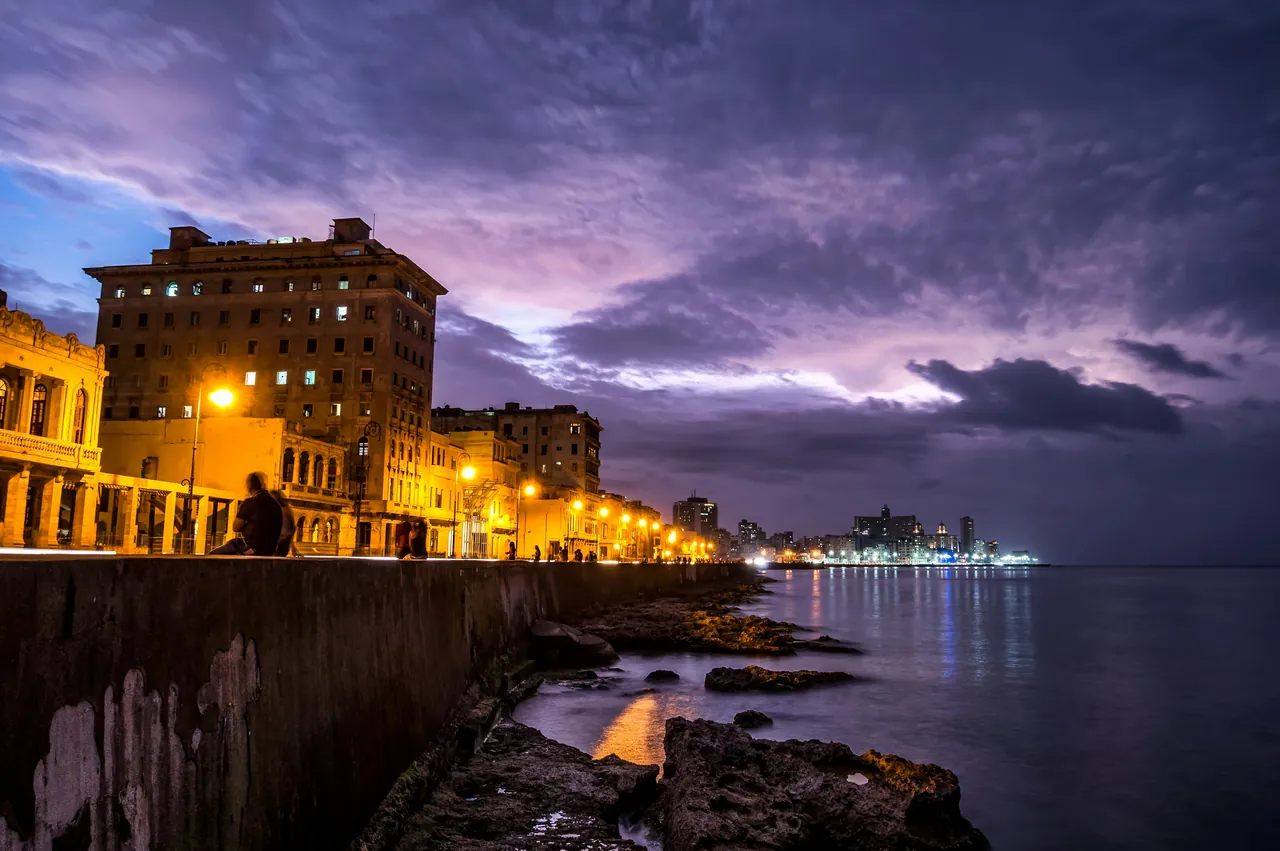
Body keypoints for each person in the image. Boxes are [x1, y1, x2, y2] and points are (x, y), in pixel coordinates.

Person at [210, 473, 283, 555]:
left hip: (251, 547)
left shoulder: (250, 502)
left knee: (213, 555)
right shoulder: (276, 504)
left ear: (249, 486)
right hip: (270, 550)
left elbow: (236, 527)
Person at [272, 490, 298, 557]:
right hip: (283, 543)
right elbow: (292, 529)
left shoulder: (281, 510)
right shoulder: (286, 509)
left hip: (279, 543)